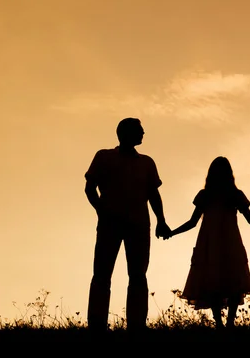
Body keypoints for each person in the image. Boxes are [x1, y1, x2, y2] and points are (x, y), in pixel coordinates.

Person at [84, 117, 171, 335]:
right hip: (110, 223)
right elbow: (89, 188)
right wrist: (100, 209)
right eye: (140, 130)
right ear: (127, 133)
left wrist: (161, 220)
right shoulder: (104, 156)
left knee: (138, 275)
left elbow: (153, 194)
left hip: (139, 225)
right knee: (102, 274)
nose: (143, 133)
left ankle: (137, 326)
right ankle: (96, 326)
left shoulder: (147, 162)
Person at [164, 156, 250, 328]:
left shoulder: (214, 195)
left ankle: (223, 323)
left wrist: (172, 232)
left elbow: (192, 222)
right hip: (221, 242)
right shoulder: (226, 195)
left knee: (220, 280)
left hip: (217, 242)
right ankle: (226, 323)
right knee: (228, 280)